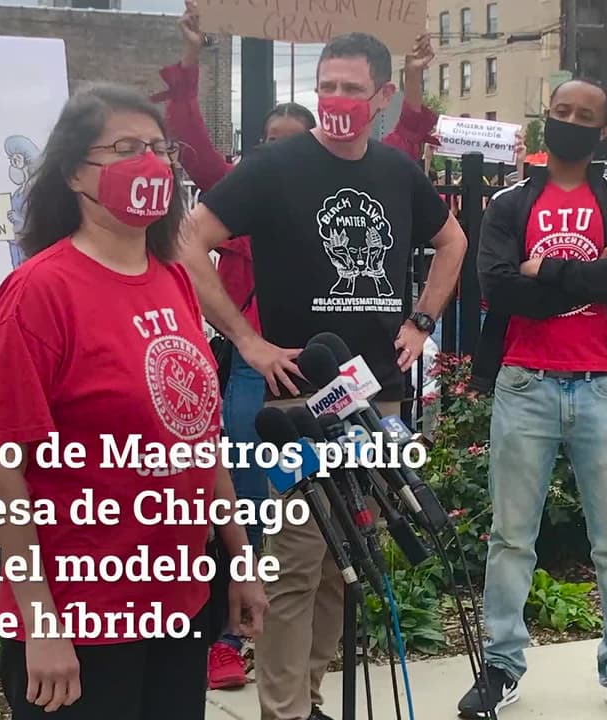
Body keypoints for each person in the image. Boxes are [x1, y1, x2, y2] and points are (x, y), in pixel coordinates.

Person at [153, 0, 443, 690]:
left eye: (351, 88)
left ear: (378, 97)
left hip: (374, 398)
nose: (337, 99)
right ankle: (284, 704)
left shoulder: (395, 168)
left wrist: (422, 320)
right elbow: (188, 236)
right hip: (294, 398)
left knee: (350, 557)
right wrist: (249, 341)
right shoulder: (271, 169)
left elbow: (450, 236)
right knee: (294, 557)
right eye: (327, 85)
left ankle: (310, 691)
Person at [0, 82, 268, 720]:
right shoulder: (38, 294)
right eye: (127, 148)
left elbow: (202, 436)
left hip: (178, 604)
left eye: (160, 148)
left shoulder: (173, 281)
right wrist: (41, 623)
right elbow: (0, 468)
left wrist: (239, 558)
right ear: (74, 172)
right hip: (82, 617)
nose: (151, 163)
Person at [464, 78, 607, 720]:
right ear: (545, 117)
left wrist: (545, 270)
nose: (571, 121)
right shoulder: (509, 203)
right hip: (525, 382)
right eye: (561, 111)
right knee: (510, 536)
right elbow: (499, 288)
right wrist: (593, 270)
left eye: (584, 115)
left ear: (602, 130)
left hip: (603, 385)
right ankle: (501, 664)